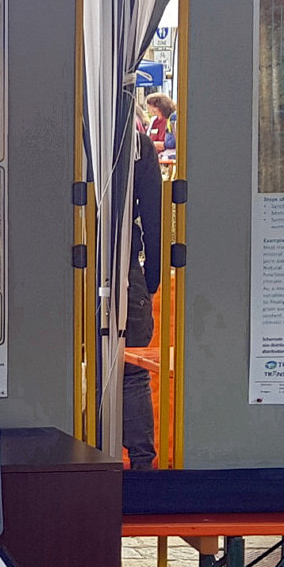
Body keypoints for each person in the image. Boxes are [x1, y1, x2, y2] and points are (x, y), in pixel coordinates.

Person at [121, 117, 163, 469]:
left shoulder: (71, 140)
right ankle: (142, 468)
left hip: (68, 272)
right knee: (131, 371)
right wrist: (150, 280)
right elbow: (154, 216)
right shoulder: (138, 145)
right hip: (125, 268)